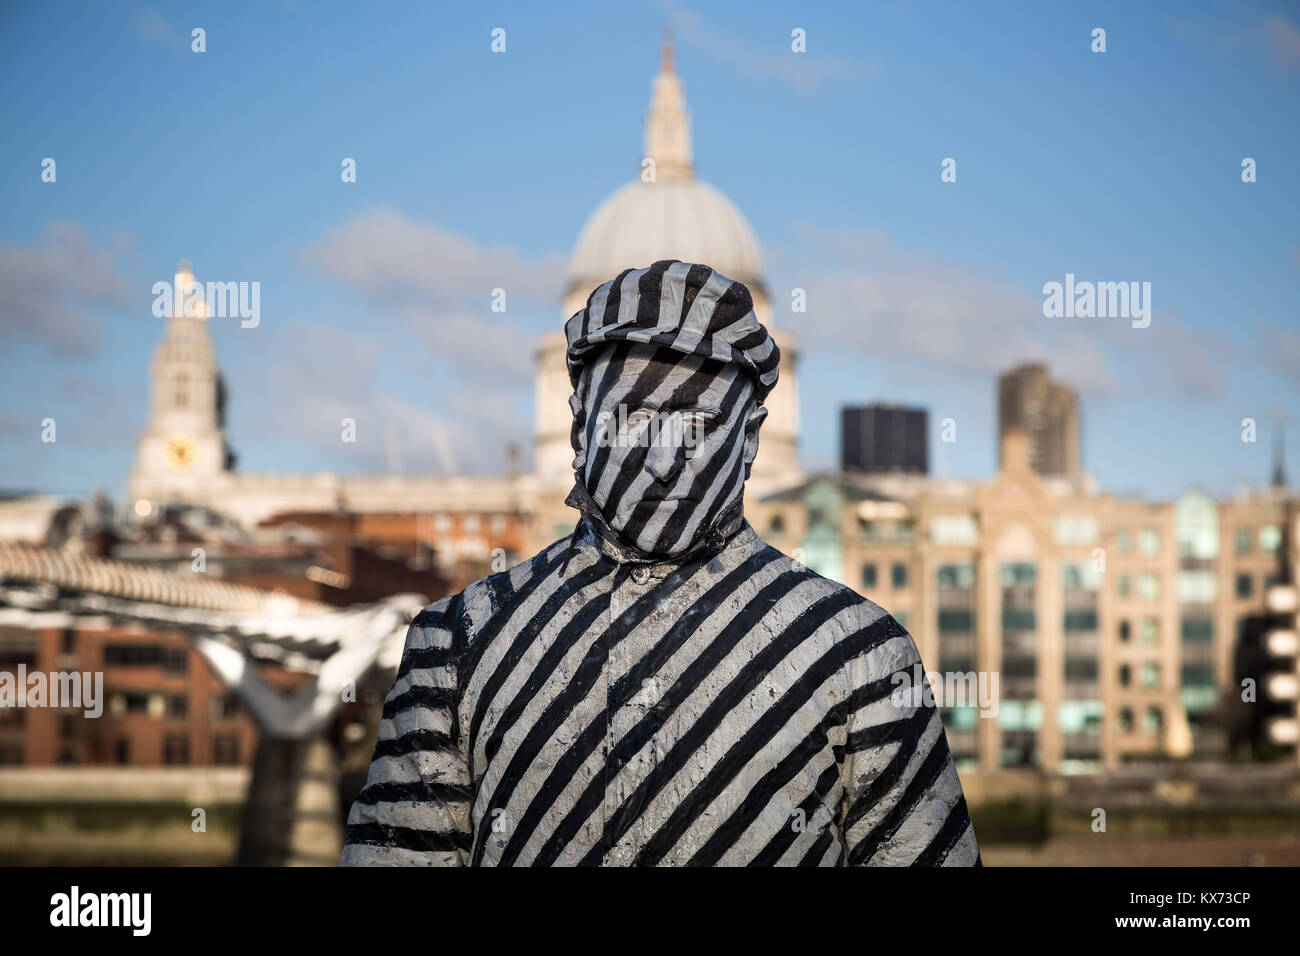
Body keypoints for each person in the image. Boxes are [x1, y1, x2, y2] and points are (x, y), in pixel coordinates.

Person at [339, 259, 981, 866]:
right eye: (633, 420)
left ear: (751, 439)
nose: (663, 458)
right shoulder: (456, 644)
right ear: (578, 427)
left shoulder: (861, 654)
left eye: (697, 426)